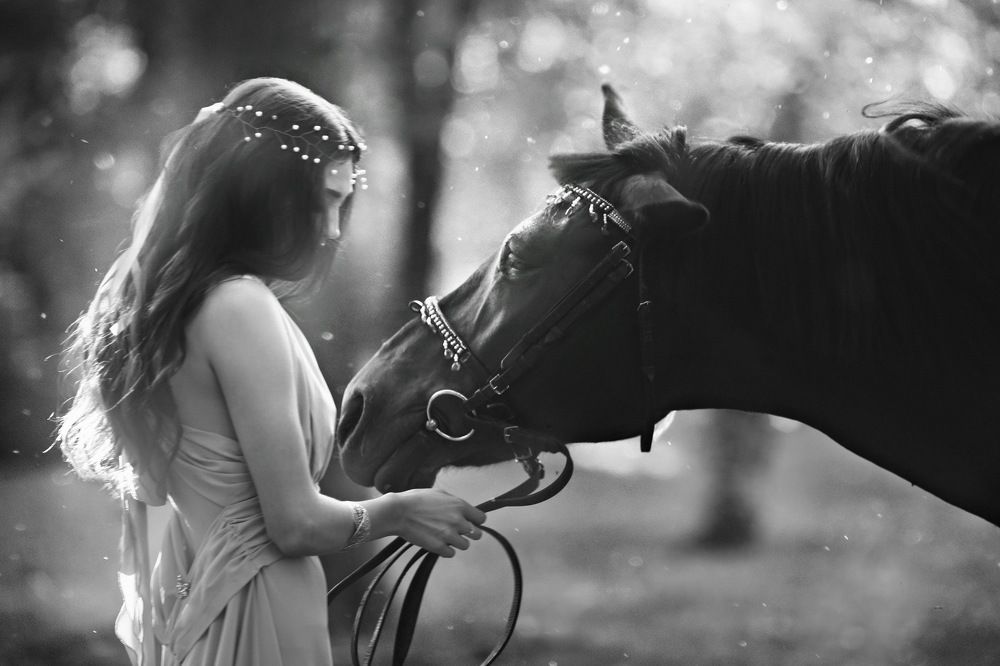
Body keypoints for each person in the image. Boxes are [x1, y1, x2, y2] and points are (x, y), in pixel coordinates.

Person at [56, 77, 486, 666]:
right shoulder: (239, 307)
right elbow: (295, 524)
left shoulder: (181, 304)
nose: (333, 229)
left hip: (211, 598)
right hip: (256, 611)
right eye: (326, 200)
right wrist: (399, 511)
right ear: (267, 192)